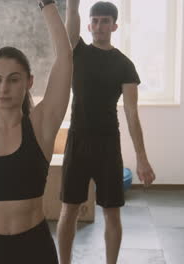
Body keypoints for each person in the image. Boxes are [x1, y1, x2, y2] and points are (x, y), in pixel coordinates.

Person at [0, 1, 72, 263]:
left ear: (29, 82)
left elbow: (65, 57)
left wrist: (48, 4)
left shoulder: (42, 127)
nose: (3, 88)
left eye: (14, 79)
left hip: (35, 248)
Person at [57, 1, 156, 264]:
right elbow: (71, 16)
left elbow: (132, 113)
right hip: (77, 141)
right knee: (69, 209)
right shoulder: (77, 51)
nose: (99, 26)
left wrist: (142, 158)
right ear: (89, 25)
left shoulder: (124, 65)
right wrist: (72, 6)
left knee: (112, 213)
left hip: (108, 145)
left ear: (114, 25)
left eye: (105, 21)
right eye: (95, 21)